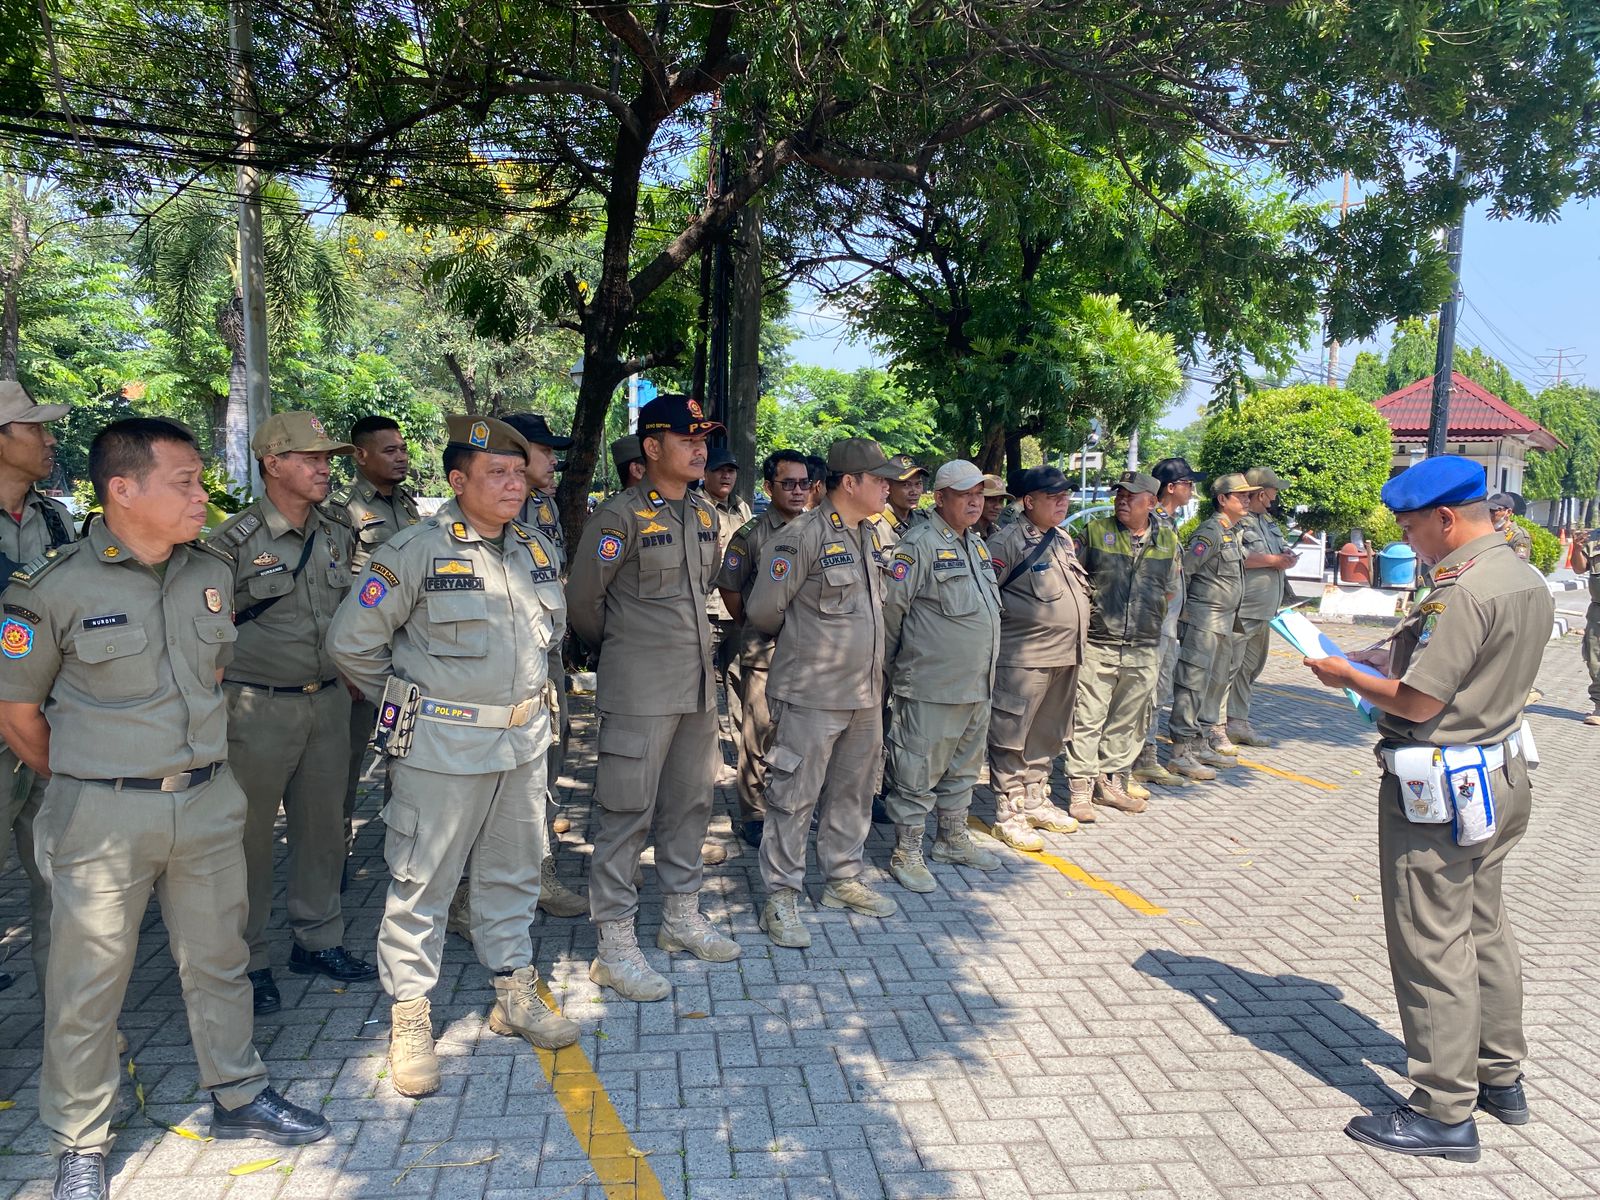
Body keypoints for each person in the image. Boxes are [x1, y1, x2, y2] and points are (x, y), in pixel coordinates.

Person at [0, 418, 331, 1200]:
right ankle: (81, 1139)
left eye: (199, 481)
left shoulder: (209, 569)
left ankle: (239, 1091)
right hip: (102, 816)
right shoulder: (51, 589)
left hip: (206, 801)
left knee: (219, 961)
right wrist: (94, 778)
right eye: (184, 482)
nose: (200, 496)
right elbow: (18, 716)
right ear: (123, 489)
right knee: (89, 982)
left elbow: (209, 675)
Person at [1303, 456, 1552, 1163]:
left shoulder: (1460, 591)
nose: (1408, 542)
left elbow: (1418, 701)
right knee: (1483, 926)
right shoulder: (1519, 576)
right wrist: (1378, 656)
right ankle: (1499, 1076)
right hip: (1499, 774)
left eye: (1412, 529)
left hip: (1442, 792)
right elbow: (1454, 666)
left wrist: (1345, 675)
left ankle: (1444, 1110)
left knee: (1432, 941)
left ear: (1446, 518)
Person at [327, 414, 579, 1099]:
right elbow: (352, 643)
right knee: (423, 884)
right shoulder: (414, 550)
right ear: (457, 480)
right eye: (497, 472)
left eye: (519, 471)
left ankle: (514, 991)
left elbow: (549, 640)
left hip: (522, 743)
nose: (514, 483)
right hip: (441, 748)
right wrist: (413, 703)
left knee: (512, 873)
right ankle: (410, 1016)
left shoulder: (533, 548)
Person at [567, 394, 740, 1002]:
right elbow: (584, 604)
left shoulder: (702, 512)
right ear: (652, 447)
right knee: (626, 813)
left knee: (691, 805)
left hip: (696, 687)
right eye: (688, 440)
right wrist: (626, 650)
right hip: (640, 690)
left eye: (704, 440)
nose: (700, 450)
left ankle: (680, 918)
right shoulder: (619, 517)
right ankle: (614, 946)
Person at [208, 413, 375, 1017]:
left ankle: (318, 939)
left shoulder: (336, 530)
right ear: (273, 463)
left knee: (324, 828)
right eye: (310, 458)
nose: (324, 468)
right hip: (256, 708)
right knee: (248, 840)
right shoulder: (231, 543)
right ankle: (249, 959)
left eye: (327, 458)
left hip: (327, 700)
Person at [745, 438, 905, 945]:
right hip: (811, 694)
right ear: (849, 483)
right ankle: (781, 897)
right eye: (879, 479)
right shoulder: (802, 535)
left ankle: (842, 879)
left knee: (854, 793)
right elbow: (763, 610)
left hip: (864, 693)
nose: (888, 487)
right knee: (794, 798)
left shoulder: (871, 534)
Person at [880, 459, 1003, 892]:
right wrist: (892, 671)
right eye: (966, 494)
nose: (975, 502)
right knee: (916, 773)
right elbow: (891, 614)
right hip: (931, 686)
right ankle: (906, 851)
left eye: (979, 494)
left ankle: (951, 839)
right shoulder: (918, 545)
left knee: (964, 771)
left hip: (976, 684)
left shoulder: (976, 544)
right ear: (941, 498)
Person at [0, 381, 75, 998]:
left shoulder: (55, 518)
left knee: (61, 877)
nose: (49, 439)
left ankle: (68, 1018)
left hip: (48, 723)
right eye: (34, 427)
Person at [500, 411, 589, 918]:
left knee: (548, 759)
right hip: (503, 664)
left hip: (545, 654)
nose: (554, 461)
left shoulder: (542, 506)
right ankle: (502, 881)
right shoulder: (488, 512)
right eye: (546, 451)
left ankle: (537, 868)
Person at [1064, 471, 1181, 821]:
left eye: (1131, 496)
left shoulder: (1168, 540)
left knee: (1128, 720)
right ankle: (1080, 789)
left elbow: (1169, 590)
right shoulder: (1095, 532)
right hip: (1099, 642)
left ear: (1152, 502)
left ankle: (1111, 784)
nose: (1122, 500)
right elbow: (1073, 580)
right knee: (1087, 717)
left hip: (1143, 646)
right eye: (1119, 494)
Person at [983, 466, 1091, 848]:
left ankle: (1035, 799)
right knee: (1011, 737)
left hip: (1065, 656)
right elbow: (986, 599)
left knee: (1048, 733)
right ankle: (1009, 812)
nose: (1063, 503)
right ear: (1029, 502)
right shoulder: (1006, 542)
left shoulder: (1061, 539)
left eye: (1066, 496)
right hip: (1024, 660)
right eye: (1053, 497)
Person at [712, 449, 812, 848]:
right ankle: (753, 812)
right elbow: (730, 586)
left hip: (810, 654)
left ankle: (790, 805)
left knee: (800, 736)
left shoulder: (819, 528)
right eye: (788, 484)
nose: (798, 491)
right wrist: (751, 623)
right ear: (769, 487)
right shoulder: (751, 534)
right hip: (766, 653)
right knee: (759, 734)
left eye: (804, 483)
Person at [1164, 472, 1256, 782]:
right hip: (1204, 621)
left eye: (1248, 495)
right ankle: (1180, 751)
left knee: (1212, 687)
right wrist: (1184, 614)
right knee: (1192, 685)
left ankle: (1200, 743)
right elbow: (1185, 572)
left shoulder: (1232, 532)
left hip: (1224, 622)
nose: (1247, 500)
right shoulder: (1210, 532)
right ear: (1222, 499)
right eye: (1240, 495)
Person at [1133, 457, 1204, 790]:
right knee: (1149, 690)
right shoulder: (1155, 523)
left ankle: (1146, 757)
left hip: (1167, 622)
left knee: (1159, 690)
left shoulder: (1168, 523)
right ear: (1171, 487)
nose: (1192, 489)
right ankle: (1141, 758)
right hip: (1155, 623)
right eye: (1189, 484)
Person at [1224, 466, 1299, 749]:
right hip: (1244, 608)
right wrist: (1273, 561)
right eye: (1273, 490)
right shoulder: (1237, 522)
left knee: (1250, 668)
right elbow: (1236, 556)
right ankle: (1216, 725)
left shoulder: (1266, 521)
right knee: (1230, 668)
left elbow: (1274, 553)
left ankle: (1238, 723)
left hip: (1265, 610)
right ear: (1261, 492)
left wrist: (1285, 556)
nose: (1276, 496)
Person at [702, 446, 752, 799]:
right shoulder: (695, 508)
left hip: (736, 610)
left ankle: (745, 758)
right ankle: (709, 761)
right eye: (719, 469)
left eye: (731, 470)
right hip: (706, 611)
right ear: (704, 473)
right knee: (701, 690)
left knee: (740, 686)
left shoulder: (743, 509)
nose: (726, 476)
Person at [1572, 527, 1600, 725]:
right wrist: (1576, 548)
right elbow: (1579, 568)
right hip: (1597, 610)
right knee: (1594, 658)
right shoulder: (1593, 539)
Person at [879, 455, 929, 535]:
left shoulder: (924, 521)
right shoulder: (874, 526)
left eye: (918, 484)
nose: (914, 492)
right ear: (888, 486)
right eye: (906, 485)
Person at [1488, 493, 1532, 561]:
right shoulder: (1488, 531)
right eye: (1488, 510)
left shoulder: (1518, 536)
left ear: (1508, 512)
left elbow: (1520, 564)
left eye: (1494, 511)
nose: (1490, 514)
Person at [975, 475, 1011, 539]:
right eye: (991, 500)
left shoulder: (997, 532)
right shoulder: (965, 531)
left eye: (1001, 501)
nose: (998, 507)